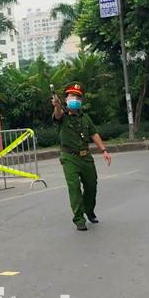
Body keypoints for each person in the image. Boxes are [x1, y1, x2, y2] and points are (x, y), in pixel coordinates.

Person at [52, 82, 112, 231]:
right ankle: (79, 218)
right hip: (69, 157)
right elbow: (57, 114)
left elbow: (94, 133)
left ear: (81, 100)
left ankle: (89, 210)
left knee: (92, 186)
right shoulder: (62, 116)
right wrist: (57, 105)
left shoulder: (85, 118)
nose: (75, 99)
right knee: (74, 187)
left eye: (78, 96)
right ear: (66, 99)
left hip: (86, 157)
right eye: (72, 96)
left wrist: (104, 150)